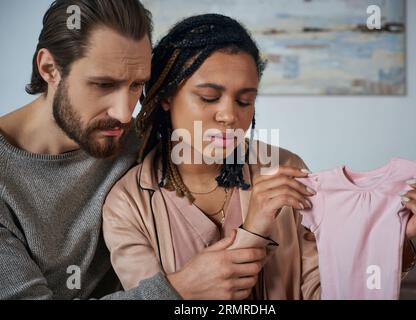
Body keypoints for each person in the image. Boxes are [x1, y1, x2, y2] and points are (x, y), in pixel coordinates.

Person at [102, 13, 416, 299]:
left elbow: (324, 290)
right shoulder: (127, 205)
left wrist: (395, 238)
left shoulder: (286, 169)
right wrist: (254, 228)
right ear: (165, 97)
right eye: (209, 97)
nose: (229, 116)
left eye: (244, 100)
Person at [0, 1, 266, 300]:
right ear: (49, 68)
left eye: (136, 85)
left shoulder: (143, 134)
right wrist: (179, 288)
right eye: (103, 84)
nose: (126, 114)